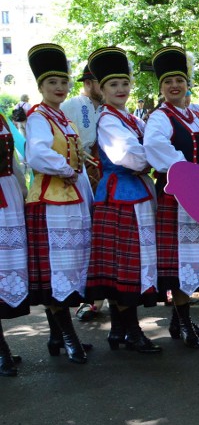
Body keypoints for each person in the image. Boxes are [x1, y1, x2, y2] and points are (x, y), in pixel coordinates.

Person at [85, 46, 161, 354]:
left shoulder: (132, 119)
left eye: (124, 83)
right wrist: (151, 158)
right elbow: (128, 155)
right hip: (120, 197)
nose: (120, 89)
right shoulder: (108, 121)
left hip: (135, 194)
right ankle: (131, 331)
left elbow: (148, 145)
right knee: (126, 265)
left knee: (125, 263)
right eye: (113, 85)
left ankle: (118, 329)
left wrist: (151, 155)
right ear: (102, 89)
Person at [143, 45, 199, 348]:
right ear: (161, 87)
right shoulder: (160, 118)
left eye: (179, 80)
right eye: (168, 82)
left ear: (187, 83)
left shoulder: (198, 115)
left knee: (195, 258)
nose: (174, 86)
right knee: (180, 262)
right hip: (177, 195)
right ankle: (184, 322)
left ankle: (179, 321)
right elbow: (158, 149)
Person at [25, 43, 94, 365]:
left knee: (71, 267)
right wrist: (66, 168)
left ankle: (57, 335)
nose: (60, 88)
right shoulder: (39, 117)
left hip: (71, 201)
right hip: (51, 202)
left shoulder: (63, 119)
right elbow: (36, 153)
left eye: (64, 82)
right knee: (58, 270)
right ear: (40, 87)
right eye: (52, 83)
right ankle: (68, 337)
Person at [62, 63, 104, 322]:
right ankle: (88, 299)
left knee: (104, 237)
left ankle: (105, 294)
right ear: (88, 82)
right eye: (102, 81)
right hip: (83, 175)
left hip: (108, 176)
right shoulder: (72, 106)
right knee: (86, 236)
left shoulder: (111, 107)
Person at [0, 107, 29, 376]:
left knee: (5, 271)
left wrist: (22, 192)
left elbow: (15, 162)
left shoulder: (1, 118)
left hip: (7, 197)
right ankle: (1, 350)